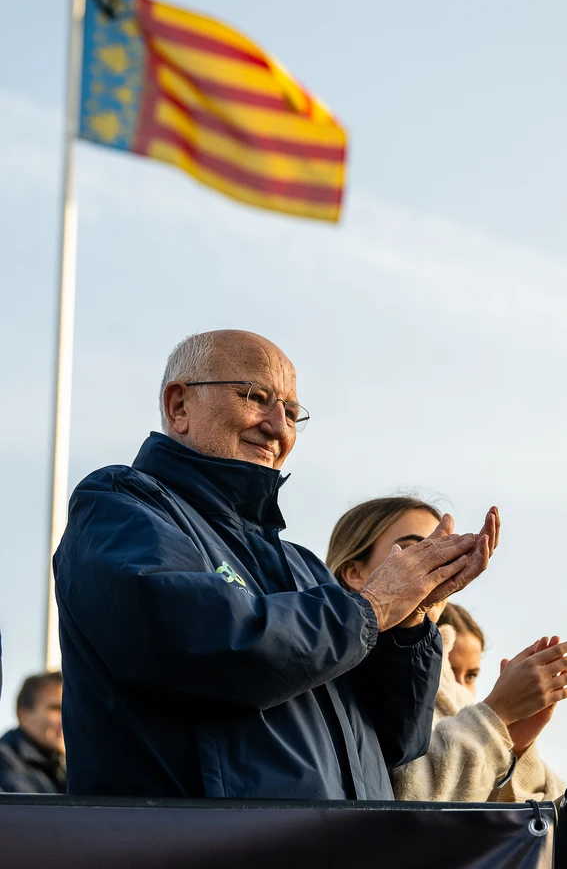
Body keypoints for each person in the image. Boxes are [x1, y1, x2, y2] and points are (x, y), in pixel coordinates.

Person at [54, 330, 497, 799]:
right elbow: (194, 641)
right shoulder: (120, 504)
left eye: (291, 412)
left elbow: (396, 741)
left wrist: (408, 625)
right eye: (256, 397)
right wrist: (370, 609)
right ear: (179, 405)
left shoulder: (302, 567)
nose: (278, 427)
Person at [326, 496, 566, 803]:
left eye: (445, 548)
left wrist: (515, 742)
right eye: (417, 549)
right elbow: (403, 803)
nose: (436, 561)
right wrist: (497, 714)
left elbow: (521, 824)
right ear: (355, 573)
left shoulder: (450, 683)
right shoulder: (338, 667)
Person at [0, 671, 66, 793]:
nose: (66, 718)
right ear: (23, 716)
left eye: (68, 709)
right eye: (56, 708)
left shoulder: (58, 766)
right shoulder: (5, 760)